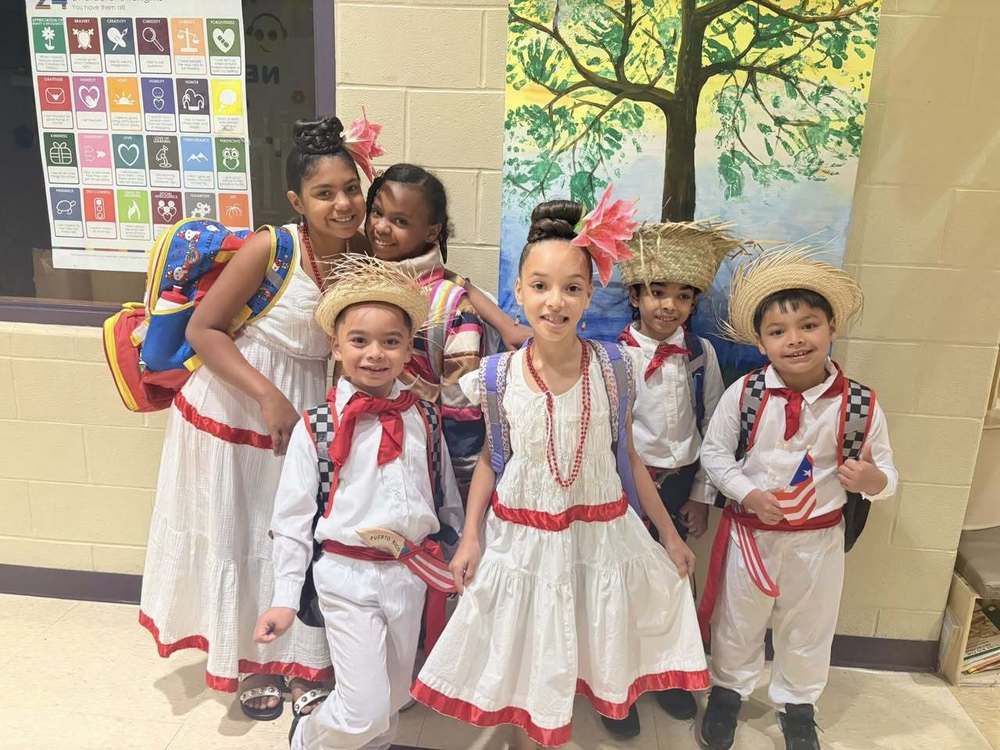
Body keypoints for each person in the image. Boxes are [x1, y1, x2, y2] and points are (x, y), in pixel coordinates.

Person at [412, 197, 709, 749]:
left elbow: (629, 457)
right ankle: (534, 709)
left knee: (605, 619)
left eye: (572, 287)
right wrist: (472, 535)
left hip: (601, 529)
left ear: (591, 295)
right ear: (519, 292)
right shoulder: (496, 377)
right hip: (524, 531)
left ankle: (610, 692)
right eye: (541, 286)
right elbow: (489, 460)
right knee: (529, 630)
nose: (556, 301)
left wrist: (668, 535)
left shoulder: (615, 368)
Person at [139, 115, 381, 720]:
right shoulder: (272, 249)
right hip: (235, 407)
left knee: (294, 534)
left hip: (307, 416)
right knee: (244, 531)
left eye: (351, 188)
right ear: (299, 201)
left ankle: (303, 659)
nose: (343, 203)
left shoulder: (364, 253)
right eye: (325, 193)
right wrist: (269, 395)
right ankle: (254, 663)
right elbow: (203, 329)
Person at [254, 255, 462, 749]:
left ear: (409, 347)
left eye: (391, 342)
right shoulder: (317, 427)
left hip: (408, 576)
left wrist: (455, 558)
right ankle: (308, 736)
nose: (375, 354)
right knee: (363, 706)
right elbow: (292, 522)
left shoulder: (425, 419)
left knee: (391, 698)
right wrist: (285, 599)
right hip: (346, 577)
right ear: (337, 345)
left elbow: (445, 495)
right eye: (360, 341)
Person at [697, 249, 898, 750]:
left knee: (808, 627)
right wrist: (748, 493)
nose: (796, 340)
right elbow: (714, 454)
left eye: (808, 325)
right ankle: (728, 692)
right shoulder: (744, 394)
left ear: (831, 327)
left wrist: (871, 479)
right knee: (738, 621)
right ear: (762, 342)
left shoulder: (861, 404)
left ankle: (798, 703)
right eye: (779, 331)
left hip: (818, 540)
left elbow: (889, 475)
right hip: (751, 538)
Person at [604, 221, 736, 737]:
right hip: (625, 490)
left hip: (681, 484)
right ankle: (615, 687)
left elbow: (714, 430)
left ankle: (667, 674)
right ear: (635, 295)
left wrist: (702, 496)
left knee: (672, 581)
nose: (668, 306)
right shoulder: (611, 356)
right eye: (657, 292)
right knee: (620, 585)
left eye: (683, 297)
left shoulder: (702, 355)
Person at [365, 164, 485, 495]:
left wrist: (456, 491)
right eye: (377, 213)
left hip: (425, 472)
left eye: (400, 221)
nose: (382, 228)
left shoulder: (450, 305)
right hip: (361, 461)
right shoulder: (359, 282)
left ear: (432, 232)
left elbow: (462, 408)